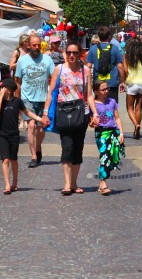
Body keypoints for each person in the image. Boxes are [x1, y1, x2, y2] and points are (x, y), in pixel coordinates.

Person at [43, 41, 93, 195]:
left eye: (75, 53)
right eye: (69, 52)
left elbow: (89, 94)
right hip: (63, 112)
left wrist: (95, 113)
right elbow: (51, 92)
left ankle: (74, 183)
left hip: (81, 113)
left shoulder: (86, 71)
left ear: (80, 54)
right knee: (67, 147)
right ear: (66, 53)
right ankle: (66, 183)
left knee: (78, 149)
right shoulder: (59, 69)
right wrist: (45, 113)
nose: (72, 55)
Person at [0, 78, 48, 195]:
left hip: (14, 134)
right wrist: (1, 97)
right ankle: (7, 185)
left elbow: (27, 112)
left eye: (2, 87)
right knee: (5, 159)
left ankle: (15, 182)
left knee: (13, 159)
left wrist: (39, 118)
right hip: (2, 134)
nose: (0, 89)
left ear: (9, 89)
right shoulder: (0, 101)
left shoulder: (17, 101)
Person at [14, 34, 55, 168]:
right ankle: (33, 156)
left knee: (42, 129)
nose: (37, 47)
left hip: (43, 98)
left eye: (38, 45)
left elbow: (54, 78)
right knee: (31, 126)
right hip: (27, 98)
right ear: (28, 45)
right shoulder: (22, 61)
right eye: (34, 45)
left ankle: (37, 147)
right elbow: (18, 82)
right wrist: (17, 100)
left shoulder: (47, 59)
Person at [91, 79, 125, 195]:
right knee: (104, 155)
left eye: (107, 88)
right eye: (103, 89)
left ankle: (102, 184)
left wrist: (121, 133)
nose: (106, 91)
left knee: (111, 157)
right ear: (96, 91)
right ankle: (104, 183)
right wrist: (91, 123)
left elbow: (117, 118)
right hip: (101, 133)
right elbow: (90, 121)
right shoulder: (94, 105)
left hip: (113, 132)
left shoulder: (112, 101)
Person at [87, 25, 125, 103]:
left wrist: (88, 82)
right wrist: (122, 81)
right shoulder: (114, 48)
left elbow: (88, 66)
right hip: (112, 82)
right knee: (112, 106)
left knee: (98, 104)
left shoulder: (93, 48)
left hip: (98, 83)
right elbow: (120, 66)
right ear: (109, 36)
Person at [122, 37, 142, 139]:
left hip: (131, 83)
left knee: (129, 107)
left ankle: (136, 125)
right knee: (139, 108)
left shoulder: (126, 56)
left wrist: (123, 81)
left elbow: (125, 70)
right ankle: (136, 131)